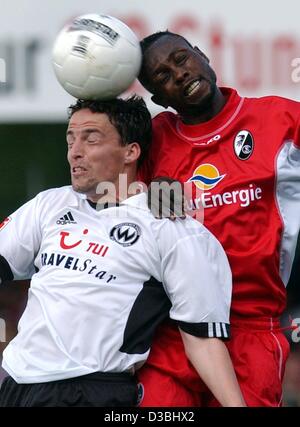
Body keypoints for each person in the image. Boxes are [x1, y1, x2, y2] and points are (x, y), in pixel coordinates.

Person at [0, 96, 245, 407]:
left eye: (91, 139)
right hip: (17, 384)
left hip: (92, 391)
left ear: (131, 151)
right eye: (70, 138)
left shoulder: (171, 227)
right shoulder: (51, 203)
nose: (75, 152)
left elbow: (202, 338)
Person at [136, 30, 300, 407]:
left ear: (201, 55)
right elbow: (105, 203)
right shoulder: (152, 141)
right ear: (159, 99)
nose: (177, 74)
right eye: (162, 77)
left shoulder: (281, 119)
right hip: (173, 331)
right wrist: (147, 192)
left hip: (252, 327)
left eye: (180, 59)